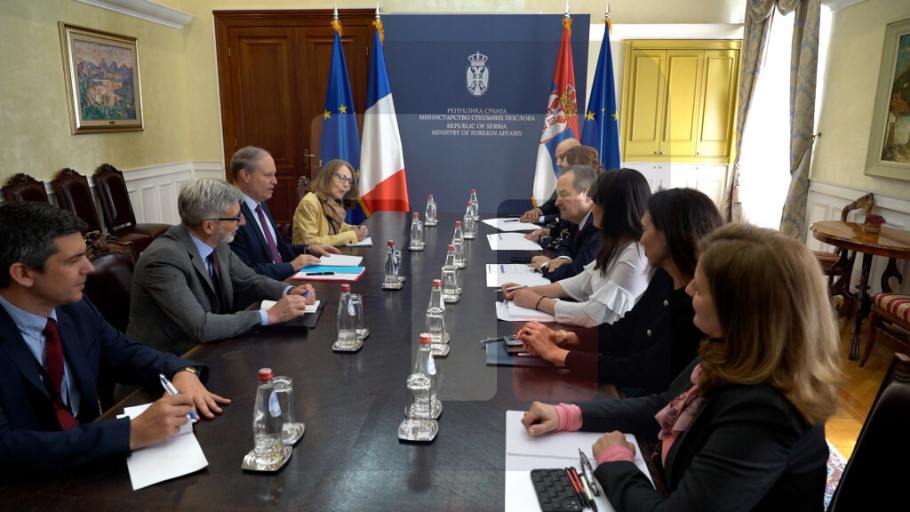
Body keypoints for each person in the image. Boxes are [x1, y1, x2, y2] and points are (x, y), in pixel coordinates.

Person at [521, 223, 843, 511]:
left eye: (699, 288)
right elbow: (664, 405)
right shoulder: (733, 350)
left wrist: (615, 462)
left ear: (738, 310)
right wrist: (569, 414)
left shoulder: (765, 411)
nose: (688, 290)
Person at [0, 202, 230, 477]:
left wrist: (181, 370)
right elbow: (6, 447)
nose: (89, 267)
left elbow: (126, 353)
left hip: (88, 465)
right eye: (73, 261)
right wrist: (129, 434)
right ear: (23, 273)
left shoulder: (74, 307)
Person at [518, 188, 723, 395]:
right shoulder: (665, 276)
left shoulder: (697, 306)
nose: (641, 239)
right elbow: (625, 331)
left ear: (670, 236)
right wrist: (565, 338)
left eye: (646, 230)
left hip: (643, 396)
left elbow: (643, 370)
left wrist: (558, 355)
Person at [128, 178, 316, 356]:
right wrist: (269, 316)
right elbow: (201, 326)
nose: (243, 222)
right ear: (209, 226)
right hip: (172, 362)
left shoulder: (216, 242)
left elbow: (249, 279)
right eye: (236, 218)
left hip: (214, 347)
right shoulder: (163, 258)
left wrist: (289, 290)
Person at [502, 168, 652, 328]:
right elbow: (581, 282)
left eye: (596, 201)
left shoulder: (635, 254)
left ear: (613, 208)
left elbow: (594, 315)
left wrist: (538, 302)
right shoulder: (616, 243)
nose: (592, 207)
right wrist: (528, 290)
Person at [228, 146, 340, 280]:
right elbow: (245, 272)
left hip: (285, 280)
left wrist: (308, 249)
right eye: (268, 175)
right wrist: (291, 266)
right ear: (245, 175)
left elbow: (275, 249)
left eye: (274, 175)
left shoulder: (260, 205)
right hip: (265, 288)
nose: (275, 181)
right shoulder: (231, 214)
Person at [527, 165, 601, 282]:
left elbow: (577, 275)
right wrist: (564, 258)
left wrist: (545, 266)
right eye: (558, 195)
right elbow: (565, 244)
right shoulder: (577, 219)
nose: (557, 203)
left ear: (586, 195)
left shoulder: (596, 226)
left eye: (564, 195)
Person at [292, 159, 369, 246]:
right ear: (327, 177)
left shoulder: (333, 200)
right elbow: (311, 242)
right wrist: (352, 235)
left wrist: (355, 229)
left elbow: (337, 227)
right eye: (342, 178)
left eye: (349, 181)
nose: (346, 185)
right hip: (308, 254)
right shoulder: (309, 202)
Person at [519, 137, 580, 224]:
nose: (558, 163)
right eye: (556, 158)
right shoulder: (566, 179)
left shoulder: (589, 182)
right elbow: (551, 205)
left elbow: (572, 216)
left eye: (562, 157)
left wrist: (539, 219)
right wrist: (537, 211)